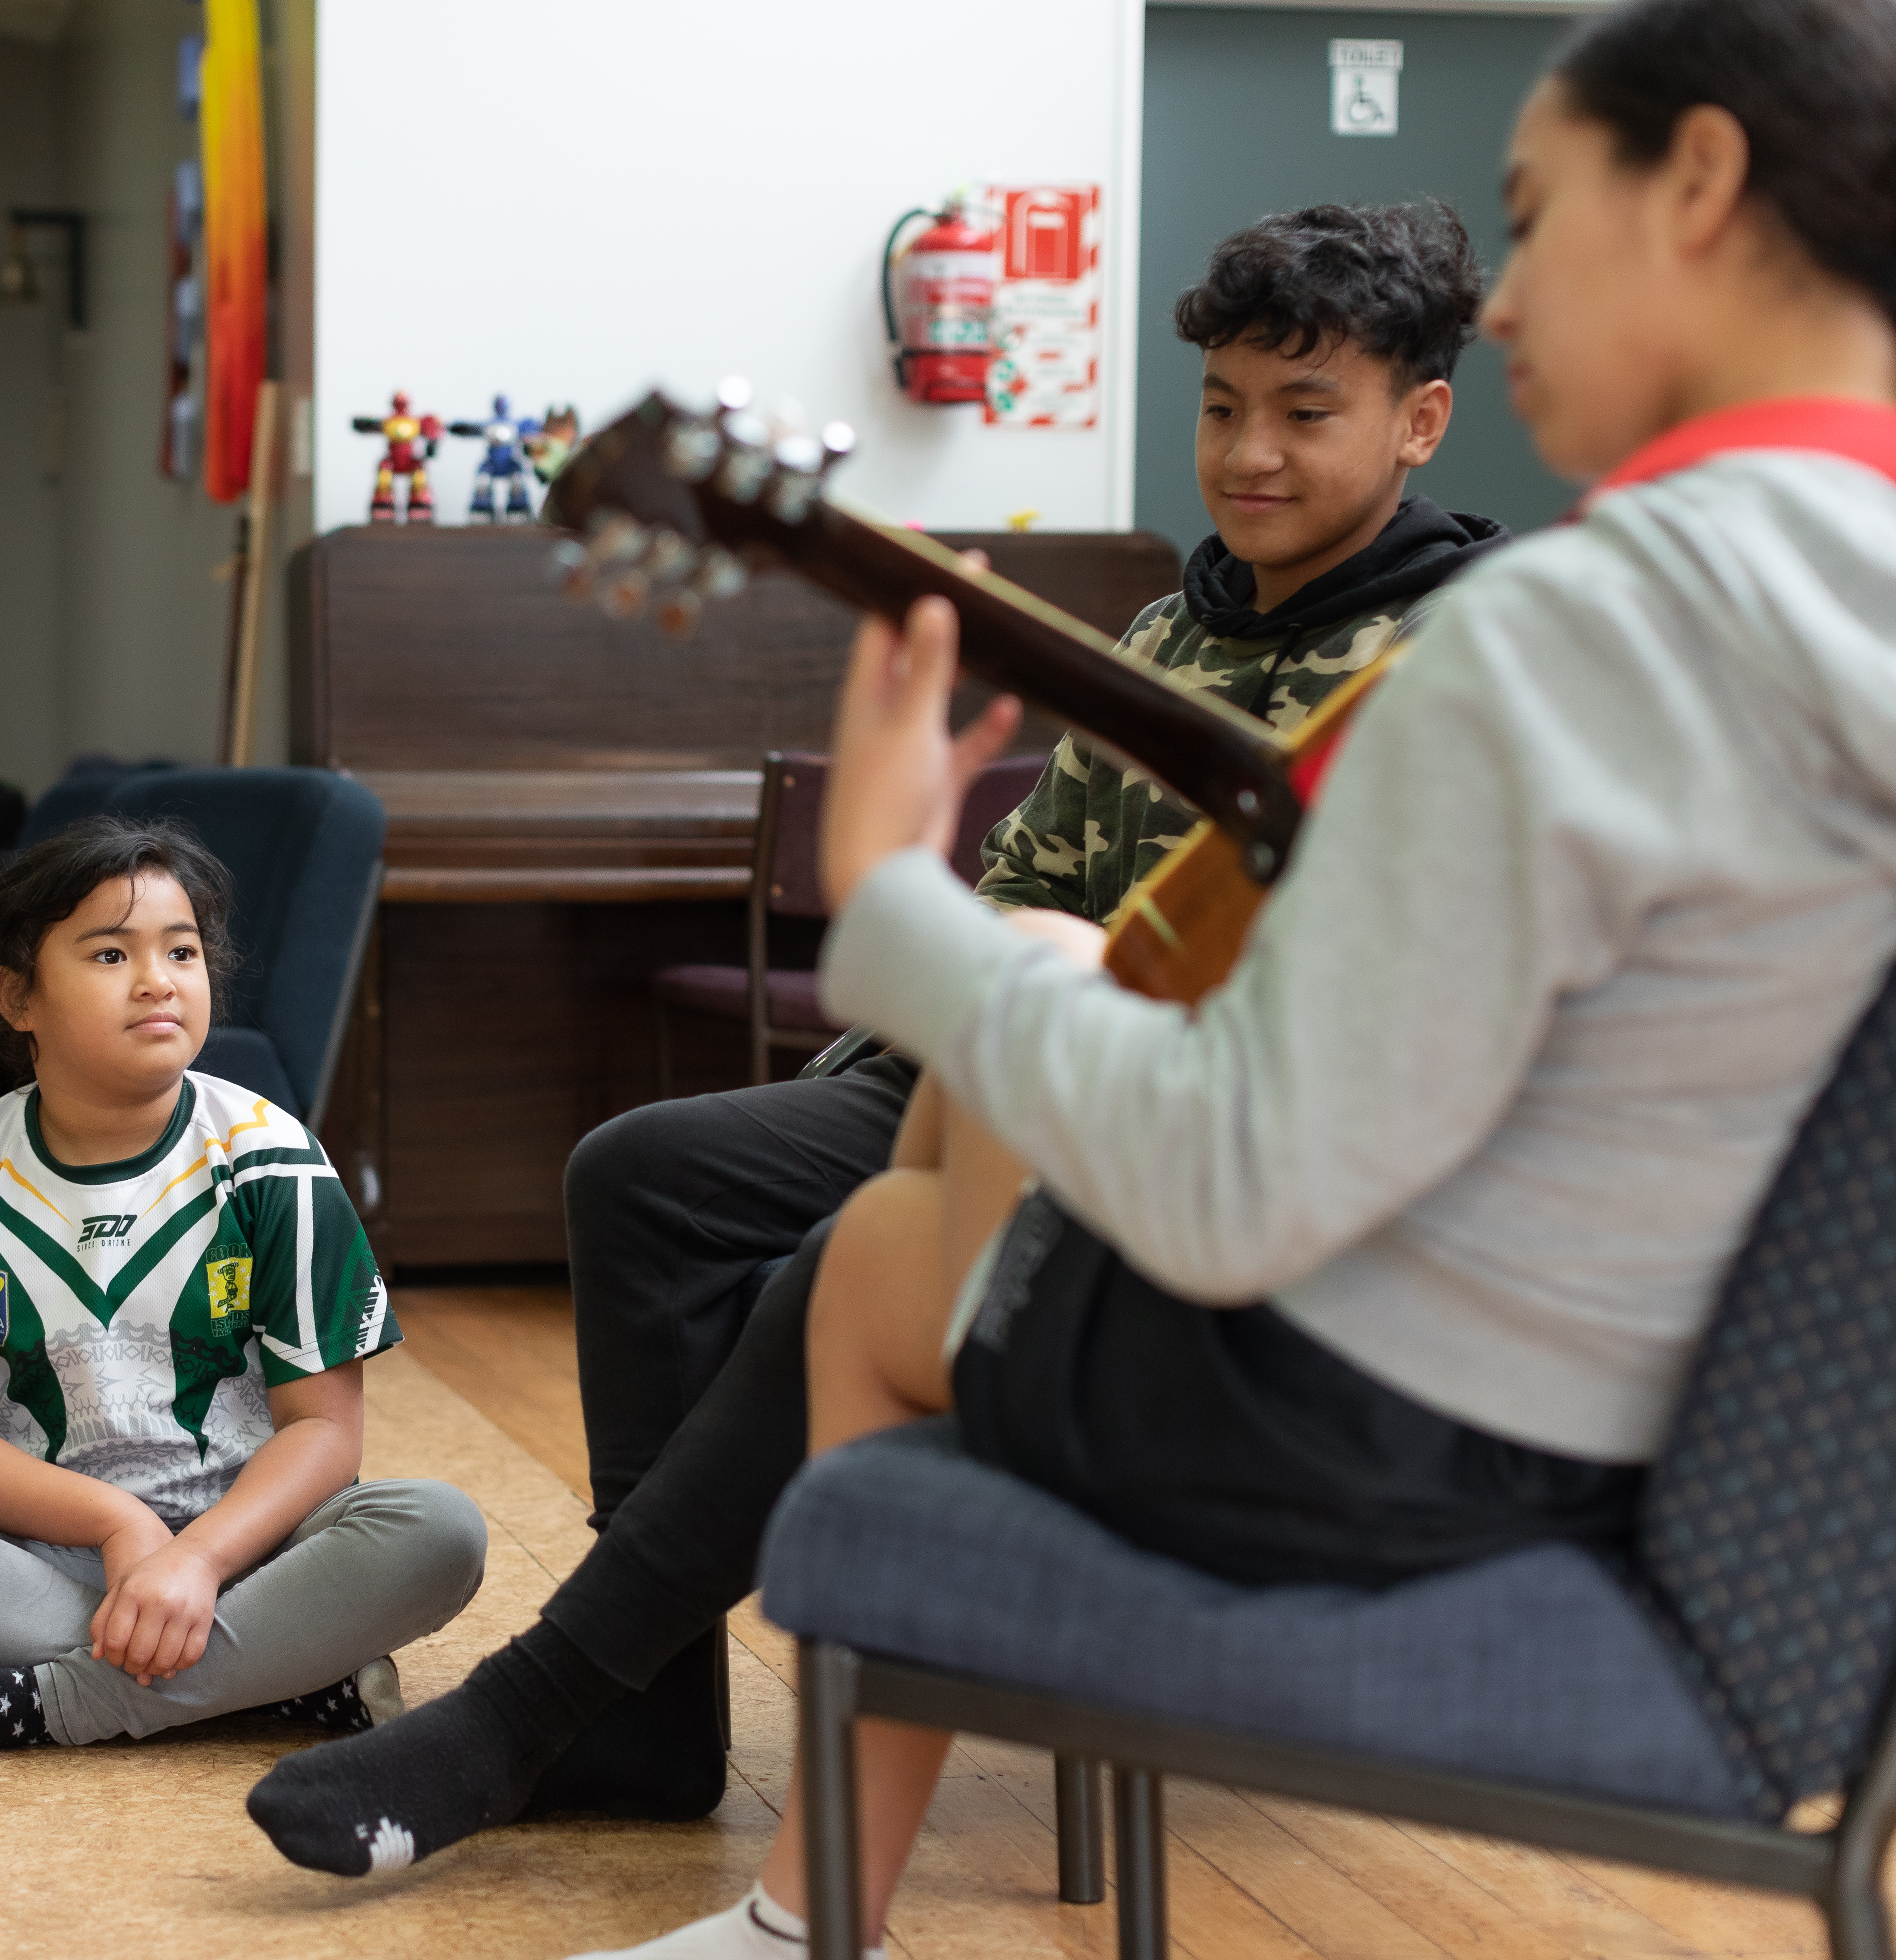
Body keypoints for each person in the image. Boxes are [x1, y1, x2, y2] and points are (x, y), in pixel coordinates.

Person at [591, 0, 1896, 1949]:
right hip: (1743, 1457)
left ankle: (790, 1915)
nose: (1512, 305)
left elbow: (1225, 1187)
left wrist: (888, 885)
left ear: (1695, 181)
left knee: (877, 1256)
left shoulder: (1583, 623)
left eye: (1534, 222)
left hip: (1438, 1450)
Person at [247, 199, 1511, 1874]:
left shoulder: (1463, 652)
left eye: (1303, 410)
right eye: (1218, 406)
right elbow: (1021, 884)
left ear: (1418, 420)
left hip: (1218, 1153)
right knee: (643, 1174)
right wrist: (984, 965)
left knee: (835, 1262)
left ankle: (550, 1698)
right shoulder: (1156, 631)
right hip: (1010, 1072)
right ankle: (648, 1714)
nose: (1247, 452)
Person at [0, 818, 487, 1772]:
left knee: (437, 1526)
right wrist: (120, 1525)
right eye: (108, 952)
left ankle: (50, 1702)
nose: (158, 978)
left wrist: (198, 1557)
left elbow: (324, 1434)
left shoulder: (273, 1158)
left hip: (256, 1549)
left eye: (180, 949)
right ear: (18, 997)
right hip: (46, 1552)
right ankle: (282, 1676)